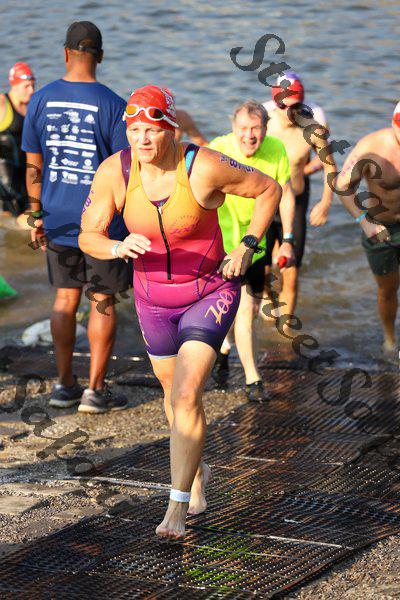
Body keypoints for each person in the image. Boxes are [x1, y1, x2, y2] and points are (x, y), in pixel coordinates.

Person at [79, 84, 282, 538]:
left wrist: (248, 245)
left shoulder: (202, 165)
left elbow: (270, 189)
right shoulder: (116, 171)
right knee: (175, 397)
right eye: (133, 130)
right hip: (152, 301)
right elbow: (87, 234)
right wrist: (116, 246)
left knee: (188, 393)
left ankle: (177, 506)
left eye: (151, 130)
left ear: (171, 128)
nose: (142, 139)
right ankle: (196, 472)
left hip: (210, 291)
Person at [22, 21, 130, 413]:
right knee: (101, 298)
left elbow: (33, 166)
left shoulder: (40, 100)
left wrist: (35, 214)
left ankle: (64, 384)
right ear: (101, 56)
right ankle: (95, 392)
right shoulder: (114, 105)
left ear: (65, 53)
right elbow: (123, 171)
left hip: (57, 217)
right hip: (101, 220)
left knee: (65, 299)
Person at [208, 100, 295, 401]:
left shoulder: (276, 149)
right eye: (243, 128)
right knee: (237, 308)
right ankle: (252, 378)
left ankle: (226, 349)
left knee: (250, 310)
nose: (249, 135)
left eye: (256, 128)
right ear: (233, 127)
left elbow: (286, 195)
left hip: (256, 244)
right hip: (222, 244)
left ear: (266, 128)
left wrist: (288, 239)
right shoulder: (217, 149)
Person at [262, 71, 337, 318]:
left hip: (295, 202)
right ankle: (267, 303)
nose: (290, 112)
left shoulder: (312, 129)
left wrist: (325, 203)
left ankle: (285, 332)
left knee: (291, 273)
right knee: (263, 272)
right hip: (263, 203)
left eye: (295, 106)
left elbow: (329, 166)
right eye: (284, 106)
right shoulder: (262, 125)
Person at [336, 101, 400, 355]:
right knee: (388, 288)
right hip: (381, 228)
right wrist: (364, 222)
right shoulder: (371, 147)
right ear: (394, 122)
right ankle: (390, 340)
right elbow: (342, 185)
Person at [0, 62, 35, 228]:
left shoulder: (31, 107)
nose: (31, 90)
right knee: (14, 217)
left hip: (24, 172)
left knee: (26, 215)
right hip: (4, 174)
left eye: (33, 85)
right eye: (26, 86)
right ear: (14, 84)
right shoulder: (2, 103)